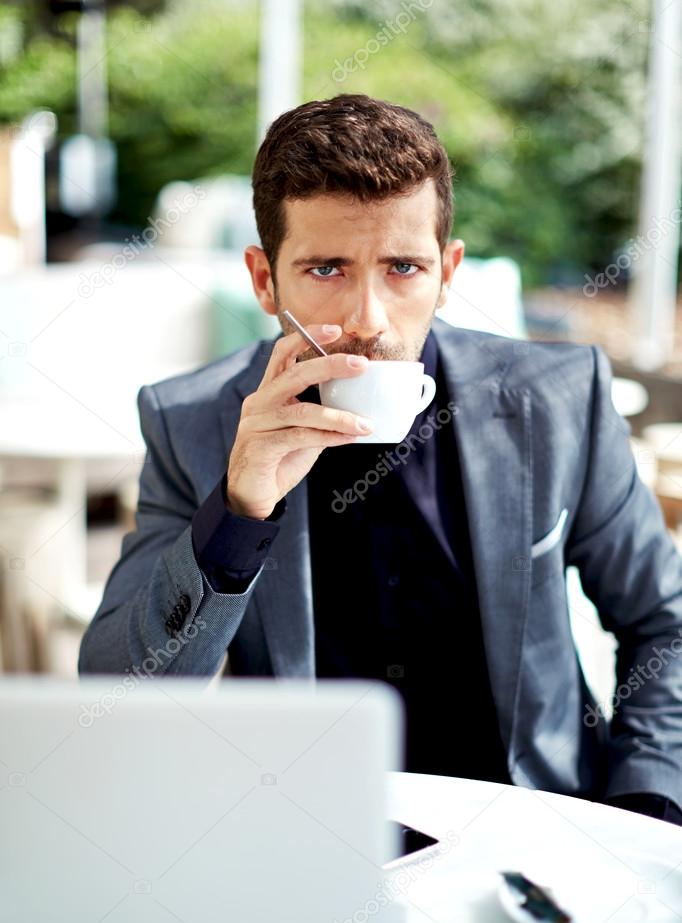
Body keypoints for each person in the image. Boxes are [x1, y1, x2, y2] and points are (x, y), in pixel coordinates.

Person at [79, 93, 682, 825]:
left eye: (403, 267)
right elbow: (113, 702)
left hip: (531, 828)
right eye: (328, 268)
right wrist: (238, 513)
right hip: (304, 832)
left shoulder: (559, 401)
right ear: (265, 280)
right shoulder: (193, 424)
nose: (370, 320)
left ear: (448, 271)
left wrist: (645, 816)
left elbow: (665, 622)